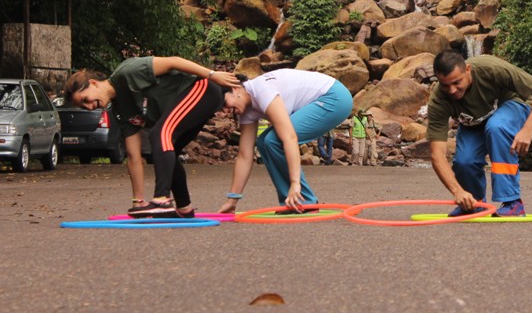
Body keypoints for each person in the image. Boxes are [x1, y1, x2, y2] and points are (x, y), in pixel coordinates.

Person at [64, 57, 240, 217]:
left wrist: (212, 74)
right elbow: (134, 156)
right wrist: (138, 201)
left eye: (85, 99)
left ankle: (162, 199)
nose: (89, 107)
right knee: (164, 151)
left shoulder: (127, 72)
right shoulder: (120, 112)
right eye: (83, 106)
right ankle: (184, 207)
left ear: (94, 83)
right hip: (190, 105)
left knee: (159, 133)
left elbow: (173, 62)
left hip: (200, 88)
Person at [427, 50, 532, 217]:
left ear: (468, 69)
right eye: (445, 85)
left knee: (496, 127)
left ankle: (512, 202)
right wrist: (458, 192)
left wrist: (528, 130)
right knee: (465, 161)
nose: (451, 90)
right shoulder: (439, 100)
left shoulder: (490, 68)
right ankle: (473, 203)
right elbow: (437, 155)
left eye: (457, 82)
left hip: (512, 105)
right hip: (475, 122)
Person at [218, 69, 352, 213]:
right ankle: (293, 201)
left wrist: (295, 183)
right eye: (220, 109)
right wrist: (232, 200)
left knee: (273, 140)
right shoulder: (247, 110)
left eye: (224, 103)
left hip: (334, 97)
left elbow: (289, 138)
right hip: (324, 99)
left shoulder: (262, 90)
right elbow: (244, 155)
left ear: (235, 88)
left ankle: (303, 200)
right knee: (264, 143)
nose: (225, 112)